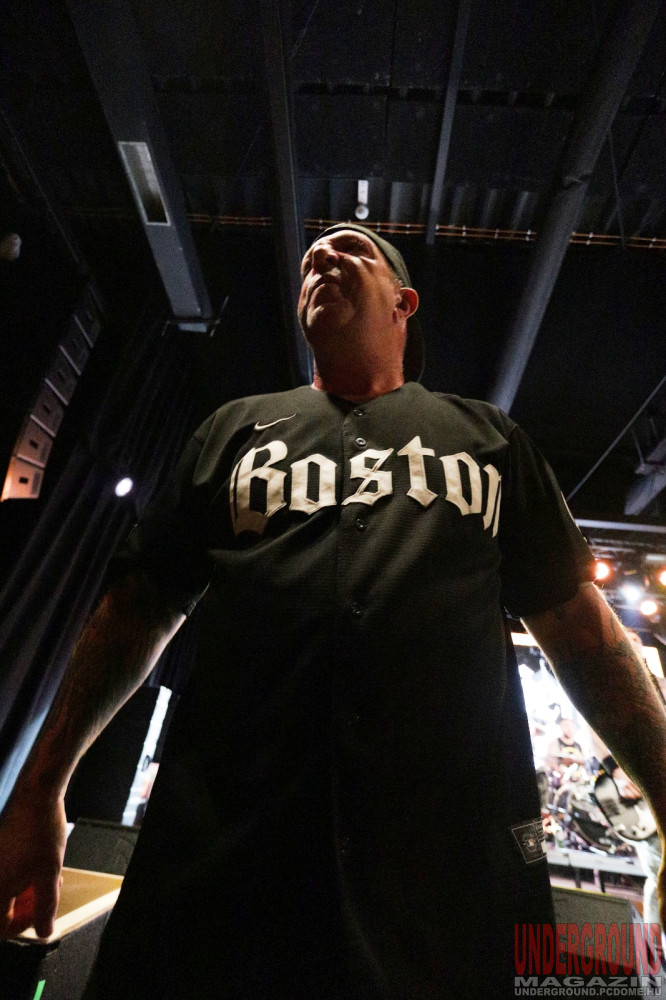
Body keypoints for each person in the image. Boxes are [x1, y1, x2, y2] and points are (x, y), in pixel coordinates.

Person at [1, 223, 666, 999]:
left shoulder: (490, 440)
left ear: (403, 303)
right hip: (217, 879)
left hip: (443, 896)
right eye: (312, 256)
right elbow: (134, 610)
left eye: (352, 250)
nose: (320, 257)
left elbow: (586, 636)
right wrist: (40, 787)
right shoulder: (232, 430)